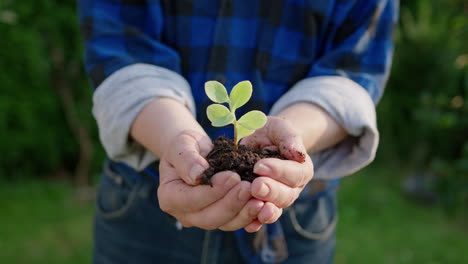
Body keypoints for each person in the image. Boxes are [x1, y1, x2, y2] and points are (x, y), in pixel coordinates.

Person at [78, 0, 398, 263]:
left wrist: (289, 141)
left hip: (289, 219)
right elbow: (120, 45)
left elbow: (353, 69)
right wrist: (177, 140)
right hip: (144, 206)